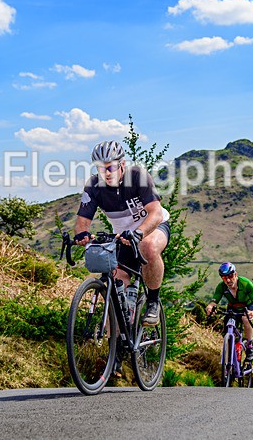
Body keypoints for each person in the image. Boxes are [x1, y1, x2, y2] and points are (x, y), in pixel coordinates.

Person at [74, 141, 171, 373]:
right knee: (114, 281)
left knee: (148, 247)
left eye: (110, 167)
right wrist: (81, 236)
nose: (105, 172)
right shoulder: (94, 186)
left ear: (122, 164)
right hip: (122, 237)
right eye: (100, 168)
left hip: (153, 227)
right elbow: (82, 222)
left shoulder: (138, 176)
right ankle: (115, 346)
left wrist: (139, 232)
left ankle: (153, 301)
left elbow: (155, 213)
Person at [205, 262, 253, 361]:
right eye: (224, 278)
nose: (227, 280)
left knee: (245, 319)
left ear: (235, 274)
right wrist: (210, 307)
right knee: (227, 326)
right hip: (233, 307)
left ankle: (249, 347)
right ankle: (230, 349)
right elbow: (214, 302)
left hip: (247, 307)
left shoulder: (246, 284)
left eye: (230, 276)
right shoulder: (221, 287)